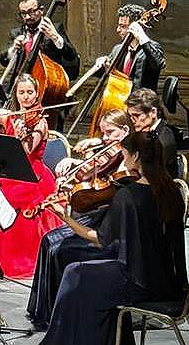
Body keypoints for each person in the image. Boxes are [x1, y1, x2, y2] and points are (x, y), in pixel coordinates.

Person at [28, 131, 188, 345]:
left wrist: (65, 218)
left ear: (136, 157)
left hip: (139, 283)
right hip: (167, 280)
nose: (124, 159)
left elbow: (99, 240)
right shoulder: (171, 190)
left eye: (125, 155)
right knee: (80, 273)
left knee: (74, 273)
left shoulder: (128, 195)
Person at [27, 109, 131, 330]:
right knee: (48, 239)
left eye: (110, 132)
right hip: (101, 216)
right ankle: (44, 311)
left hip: (109, 224)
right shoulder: (111, 151)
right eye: (103, 133)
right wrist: (74, 169)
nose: (105, 138)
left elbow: (107, 191)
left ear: (125, 130)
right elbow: (94, 176)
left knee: (60, 248)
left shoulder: (130, 162)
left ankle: (60, 316)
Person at [0, 74, 62, 279]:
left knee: (15, 199)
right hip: (10, 171)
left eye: (30, 92)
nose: (26, 97)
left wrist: (21, 135)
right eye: (22, 92)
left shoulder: (40, 123)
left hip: (30, 176)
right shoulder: (10, 116)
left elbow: (27, 151)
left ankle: (19, 258)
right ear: (16, 95)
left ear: (37, 94)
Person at [0, 0, 80, 79]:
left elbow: (71, 55)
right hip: (22, 82)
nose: (27, 17)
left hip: (49, 80)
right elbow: (4, 62)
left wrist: (55, 37)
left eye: (31, 12)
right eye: (23, 13)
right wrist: (13, 49)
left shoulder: (55, 28)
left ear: (41, 10)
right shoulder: (16, 33)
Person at [103, 4, 167, 92]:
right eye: (119, 25)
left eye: (123, 26)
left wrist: (142, 37)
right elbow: (104, 73)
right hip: (120, 97)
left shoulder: (152, 47)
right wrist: (102, 64)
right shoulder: (117, 49)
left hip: (142, 99)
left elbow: (158, 65)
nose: (118, 30)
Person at [125, 88, 178, 177]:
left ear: (153, 112)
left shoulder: (164, 139)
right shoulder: (146, 132)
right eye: (130, 116)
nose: (132, 120)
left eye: (136, 115)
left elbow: (157, 175)